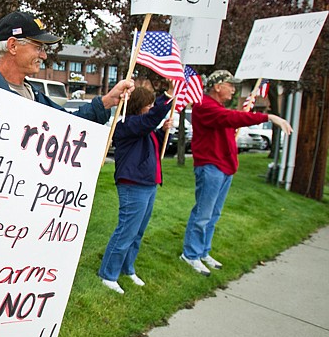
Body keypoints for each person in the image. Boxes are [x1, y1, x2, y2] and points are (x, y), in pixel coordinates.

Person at [0, 10, 135, 337]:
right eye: (38, 46)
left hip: (39, 223)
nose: (45, 55)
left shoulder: (38, 96)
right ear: (12, 46)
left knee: (31, 299)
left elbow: (71, 127)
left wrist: (105, 102)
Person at [180, 70, 292, 275]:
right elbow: (231, 117)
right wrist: (268, 116)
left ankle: (203, 251)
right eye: (230, 85)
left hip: (224, 168)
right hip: (210, 167)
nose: (233, 89)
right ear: (217, 86)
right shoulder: (204, 106)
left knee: (213, 214)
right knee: (203, 213)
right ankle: (190, 254)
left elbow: (229, 121)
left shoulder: (217, 107)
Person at [98, 86, 173, 294]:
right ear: (137, 106)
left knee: (137, 232)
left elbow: (149, 139)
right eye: (148, 104)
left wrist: (162, 131)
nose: (150, 107)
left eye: (152, 104)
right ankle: (108, 274)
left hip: (149, 183)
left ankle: (127, 268)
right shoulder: (125, 124)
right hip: (133, 184)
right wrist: (166, 97)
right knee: (126, 231)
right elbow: (147, 122)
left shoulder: (141, 127)